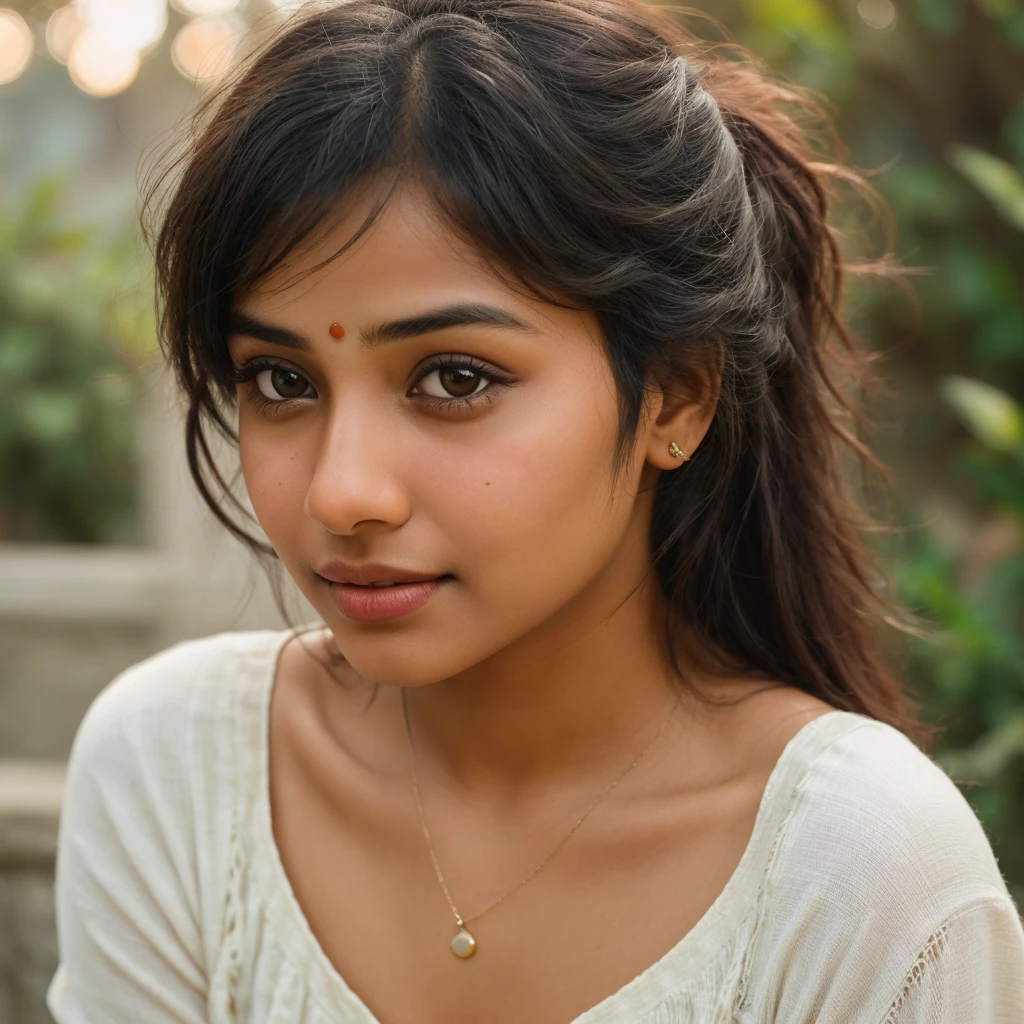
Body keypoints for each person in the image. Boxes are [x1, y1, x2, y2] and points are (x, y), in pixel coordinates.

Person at [46, 0, 1024, 1021]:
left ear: (676, 396)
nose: (343, 491)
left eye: (455, 377)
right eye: (282, 382)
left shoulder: (858, 872)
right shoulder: (178, 774)